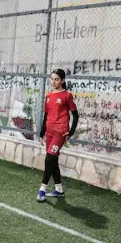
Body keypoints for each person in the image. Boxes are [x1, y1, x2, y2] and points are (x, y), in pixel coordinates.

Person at [37, 69, 78, 202]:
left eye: (56, 79)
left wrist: (71, 132)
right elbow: (46, 116)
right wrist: (41, 133)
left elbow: (76, 115)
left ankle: (42, 189)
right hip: (49, 132)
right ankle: (59, 189)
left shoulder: (67, 95)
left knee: (49, 159)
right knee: (52, 161)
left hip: (60, 133)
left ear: (62, 80)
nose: (53, 82)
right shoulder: (48, 96)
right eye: (52, 79)